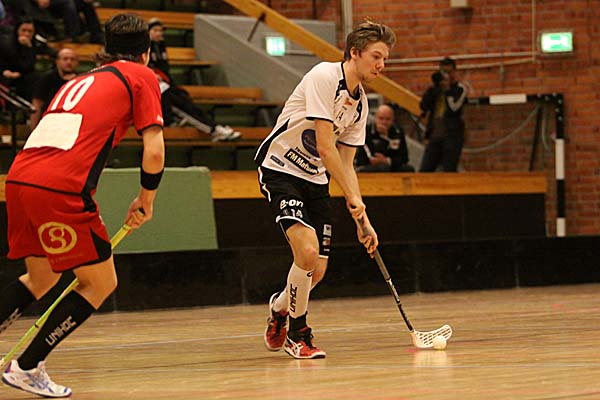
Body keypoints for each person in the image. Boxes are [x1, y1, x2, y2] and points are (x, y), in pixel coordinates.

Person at [0, 13, 164, 398]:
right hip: (59, 188)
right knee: (100, 282)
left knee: (40, 278)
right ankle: (27, 367)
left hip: (20, 179)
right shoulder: (142, 75)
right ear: (145, 52)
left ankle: (27, 365)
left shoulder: (81, 79)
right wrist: (146, 198)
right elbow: (155, 150)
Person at [254, 20, 393, 359]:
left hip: (315, 181)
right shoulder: (324, 77)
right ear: (355, 52)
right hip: (281, 169)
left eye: (385, 59)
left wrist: (363, 219)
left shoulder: (360, 105)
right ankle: (298, 334)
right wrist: (352, 198)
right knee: (306, 251)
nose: (381, 65)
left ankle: (279, 309)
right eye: (376, 56)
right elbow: (325, 146)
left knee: (315, 271)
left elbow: (346, 163)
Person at [147, 17, 241, 142]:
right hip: (155, 88)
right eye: (155, 30)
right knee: (178, 103)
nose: (159, 33)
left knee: (184, 98)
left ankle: (214, 126)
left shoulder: (161, 47)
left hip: (166, 84)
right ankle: (213, 129)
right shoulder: (145, 48)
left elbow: (165, 71)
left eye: (160, 30)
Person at [419, 57, 467, 172]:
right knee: (425, 170)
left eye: (449, 72)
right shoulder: (435, 89)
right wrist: (435, 89)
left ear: (454, 72)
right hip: (434, 134)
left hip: (452, 135)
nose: (446, 75)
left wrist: (448, 90)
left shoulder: (459, 89)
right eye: (443, 72)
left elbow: (454, 109)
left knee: (449, 170)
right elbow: (423, 106)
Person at [0, 17, 56, 101]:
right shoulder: (6, 43)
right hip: (7, 75)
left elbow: (52, 52)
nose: (26, 34)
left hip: (25, 75)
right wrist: (4, 72)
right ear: (17, 31)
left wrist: (29, 48)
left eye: (30, 31)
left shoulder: (35, 42)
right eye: (23, 30)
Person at [354, 103, 414, 172]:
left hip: (390, 164)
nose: (384, 122)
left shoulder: (398, 132)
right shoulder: (366, 131)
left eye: (388, 119)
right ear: (375, 118)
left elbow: (404, 157)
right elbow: (361, 156)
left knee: (408, 169)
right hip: (369, 165)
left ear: (393, 119)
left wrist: (386, 138)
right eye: (381, 118)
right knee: (381, 167)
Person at [29, 47, 78, 128]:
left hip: (71, 122)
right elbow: (37, 103)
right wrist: (34, 127)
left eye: (72, 59)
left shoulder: (81, 80)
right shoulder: (46, 79)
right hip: (48, 121)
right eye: (65, 59)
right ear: (57, 62)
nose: (69, 62)